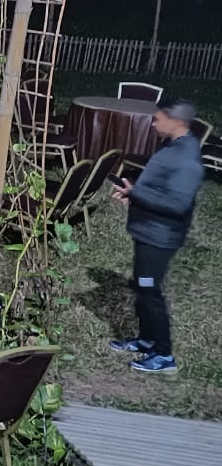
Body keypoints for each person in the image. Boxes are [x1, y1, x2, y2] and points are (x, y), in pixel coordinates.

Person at [109, 101, 205, 374]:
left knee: (150, 291)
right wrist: (133, 192)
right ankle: (147, 339)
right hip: (150, 231)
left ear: (177, 122)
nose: (153, 124)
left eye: (157, 119)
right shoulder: (172, 145)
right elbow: (162, 189)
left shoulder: (187, 159)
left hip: (160, 237)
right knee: (142, 286)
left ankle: (164, 355)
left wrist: (137, 194)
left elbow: (177, 204)